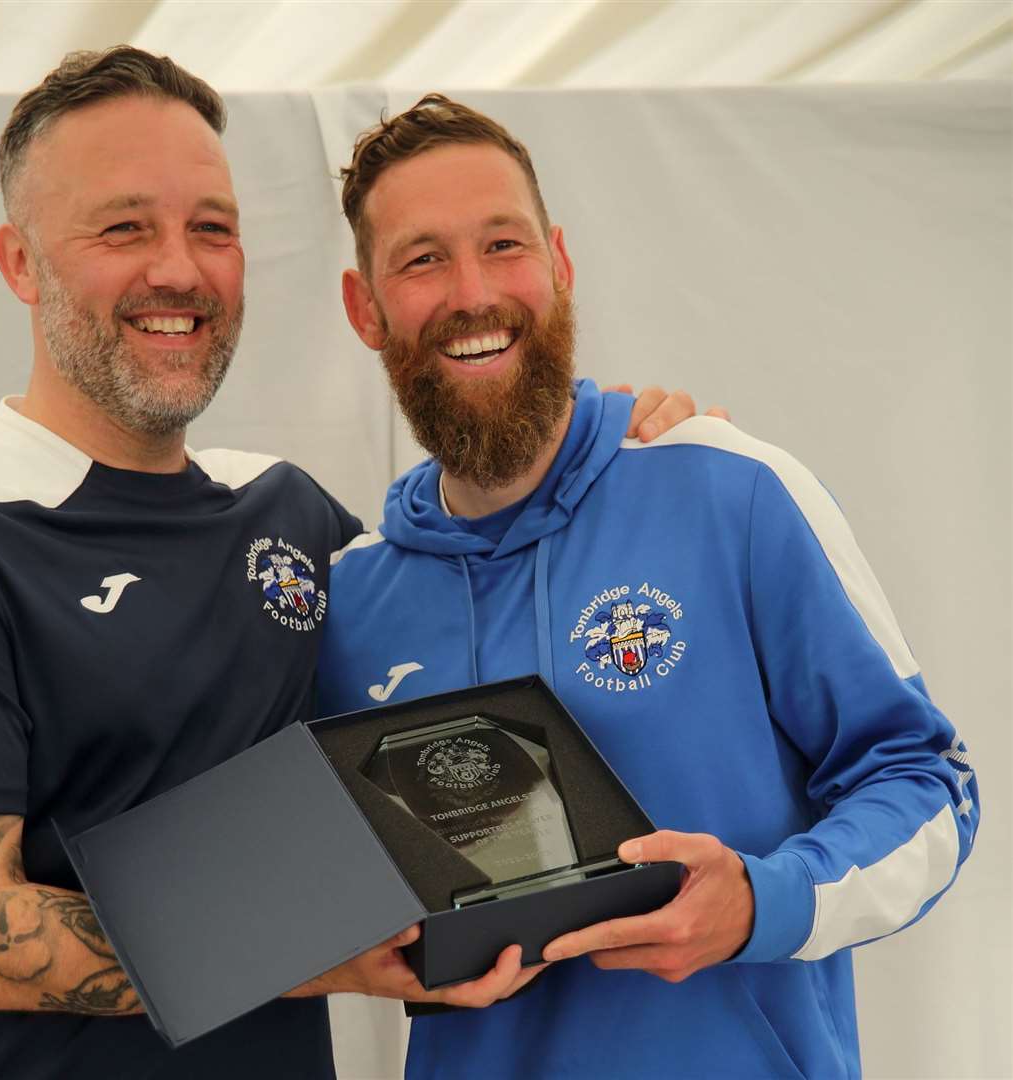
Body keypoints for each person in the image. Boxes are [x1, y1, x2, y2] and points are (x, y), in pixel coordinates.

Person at [0, 50, 702, 1079]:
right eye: (124, 227)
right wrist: (320, 956)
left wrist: (626, 463)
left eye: (212, 228)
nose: (179, 271)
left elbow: (474, 633)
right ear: (20, 263)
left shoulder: (286, 514)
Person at [318, 94, 980, 1080]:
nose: (472, 290)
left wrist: (766, 900)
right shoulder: (350, 603)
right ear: (365, 308)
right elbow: (309, 900)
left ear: (560, 264)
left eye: (503, 244)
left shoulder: (730, 490)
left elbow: (929, 787)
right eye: (422, 260)